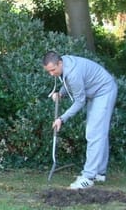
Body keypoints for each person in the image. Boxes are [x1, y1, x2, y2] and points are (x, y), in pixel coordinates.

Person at [42, 51, 118, 190]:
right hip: (95, 93)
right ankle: (99, 173)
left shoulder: (73, 72)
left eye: (53, 70)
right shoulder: (64, 65)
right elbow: (67, 82)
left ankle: (88, 177)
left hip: (104, 91)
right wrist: (61, 93)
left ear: (60, 63)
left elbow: (79, 101)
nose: (52, 74)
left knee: (94, 133)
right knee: (98, 133)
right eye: (49, 71)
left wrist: (61, 119)